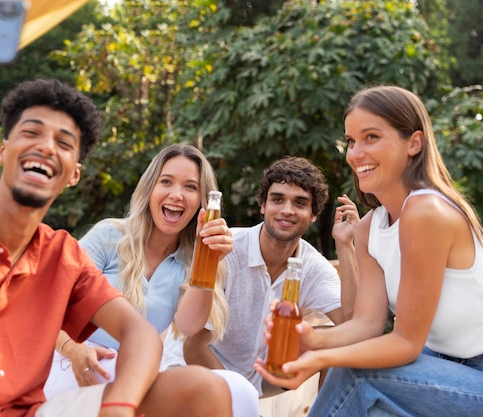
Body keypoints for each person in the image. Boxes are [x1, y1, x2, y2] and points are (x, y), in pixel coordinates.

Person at [0, 1, 234, 417]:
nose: (45, 146)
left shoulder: (62, 257)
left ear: (73, 173)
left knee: (203, 390)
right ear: (4, 151)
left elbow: (141, 335)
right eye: (31, 132)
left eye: (64, 142)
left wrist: (120, 407)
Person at [256, 85, 483, 416]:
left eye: (371, 137)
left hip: (472, 373)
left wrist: (321, 359)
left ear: (414, 143)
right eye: (350, 141)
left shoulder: (426, 212)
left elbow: (405, 342)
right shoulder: (369, 228)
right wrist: (312, 339)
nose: (355, 152)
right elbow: (367, 323)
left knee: (354, 372)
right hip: (437, 366)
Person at [44, 144, 260, 417]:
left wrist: (208, 263)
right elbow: (47, 303)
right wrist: (73, 350)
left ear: (202, 202)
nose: (177, 195)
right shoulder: (109, 237)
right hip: (72, 363)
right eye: (166, 182)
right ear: (149, 190)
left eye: (190, 187)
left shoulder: (189, 260)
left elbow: (188, 325)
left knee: (239, 389)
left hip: (132, 371)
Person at [162, 156, 359, 397]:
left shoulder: (311, 266)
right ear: (263, 206)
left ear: (313, 214)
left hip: (251, 382)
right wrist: (237, 401)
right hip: (189, 371)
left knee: (339, 346)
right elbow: (192, 346)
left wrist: (345, 244)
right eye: (277, 200)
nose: (287, 210)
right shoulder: (228, 250)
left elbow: (354, 326)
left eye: (299, 203)